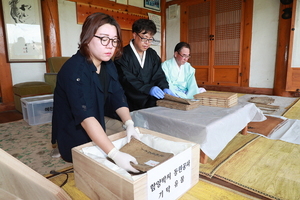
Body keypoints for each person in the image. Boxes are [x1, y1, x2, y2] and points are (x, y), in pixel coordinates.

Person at [51, 12, 140, 173]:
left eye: (114, 40)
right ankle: (60, 147)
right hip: (74, 130)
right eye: (104, 39)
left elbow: (117, 95)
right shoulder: (74, 70)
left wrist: (129, 123)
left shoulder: (107, 64)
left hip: (97, 120)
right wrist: (115, 154)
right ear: (87, 37)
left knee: (130, 138)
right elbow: (86, 118)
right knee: (100, 164)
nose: (110, 46)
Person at [114, 19, 177, 111]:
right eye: (144, 38)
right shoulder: (122, 55)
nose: (147, 42)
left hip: (151, 102)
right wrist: (148, 89)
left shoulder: (152, 54)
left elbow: (159, 75)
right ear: (135, 35)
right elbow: (127, 80)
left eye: (150, 39)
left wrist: (164, 87)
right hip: (130, 103)